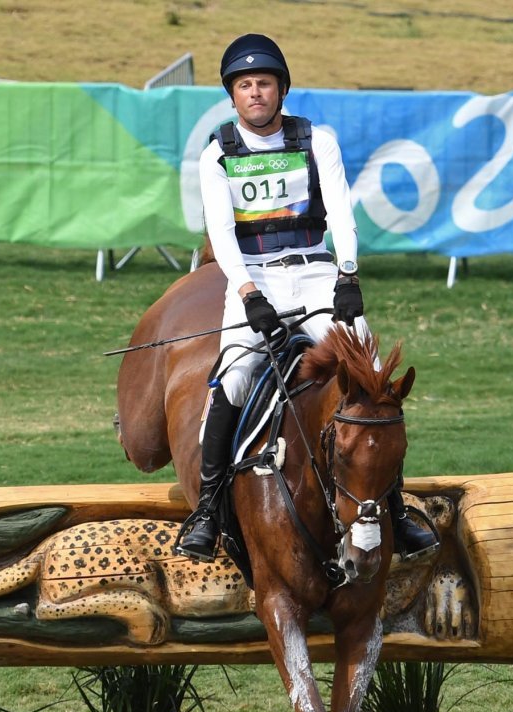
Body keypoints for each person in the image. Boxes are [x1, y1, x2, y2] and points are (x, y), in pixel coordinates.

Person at [176, 34, 437, 563]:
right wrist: (248, 295)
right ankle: (206, 511)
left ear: (282, 89)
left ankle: (395, 511)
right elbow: (222, 234)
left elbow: (340, 212)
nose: (255, 92)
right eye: (244, 85)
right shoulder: (217, 154)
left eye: (264, 83)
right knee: (234, 377)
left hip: (317, 272)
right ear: (232, 95)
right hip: (255, 279)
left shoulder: (318, 141)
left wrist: (347, 276)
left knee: (372, 379)